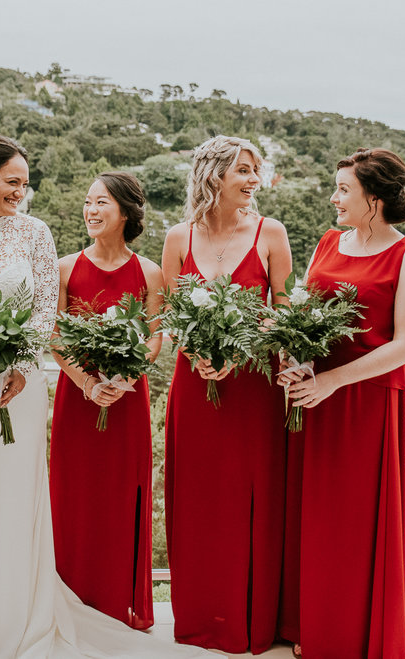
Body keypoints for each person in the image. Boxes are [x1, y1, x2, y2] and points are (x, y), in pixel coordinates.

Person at [0, 134, 215, 659]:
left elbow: (42, 314)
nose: (20, 193)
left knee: (16, 497)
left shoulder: (35, 231)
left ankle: (21, 617)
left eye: (25, 185)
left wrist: (24, 368)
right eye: (12, 182)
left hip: (24, 383)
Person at [279, 148, 405, 659]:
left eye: (344, 189)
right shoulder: (327, 242)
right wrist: (297, 360)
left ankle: (351, 639)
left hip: (363, 405)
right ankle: (312, 628)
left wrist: (335, 381)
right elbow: (304, 313)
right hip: (313, 397)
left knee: (353, 523)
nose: (334, 197)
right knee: (313, 518)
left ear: (376, 197)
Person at [161, 135, 292, 654]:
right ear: (214, 175)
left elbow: (283, 313)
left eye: (256, 170)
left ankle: (251, 620)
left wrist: (241, 351)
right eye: (244, 169)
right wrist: (195, 352)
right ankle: (199, 617)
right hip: (194, 386)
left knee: (250, 498)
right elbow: (169, 316)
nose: (254, 179)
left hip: (253, 387)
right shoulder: (178, 238)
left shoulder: (270, 232)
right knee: (198, 499)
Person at [50, 172, 164, 630]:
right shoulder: (63, 268)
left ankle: (121, 602)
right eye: (87, 202)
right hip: (78, 400)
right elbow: (53, 337)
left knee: (123, 497)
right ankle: (71, 600)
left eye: (101, 203)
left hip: (127, 399)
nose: (91, 211)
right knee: (74, 498)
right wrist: (85, 382)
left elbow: (156, 337)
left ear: (125, 212)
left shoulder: (150, 272)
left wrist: (122, 376)